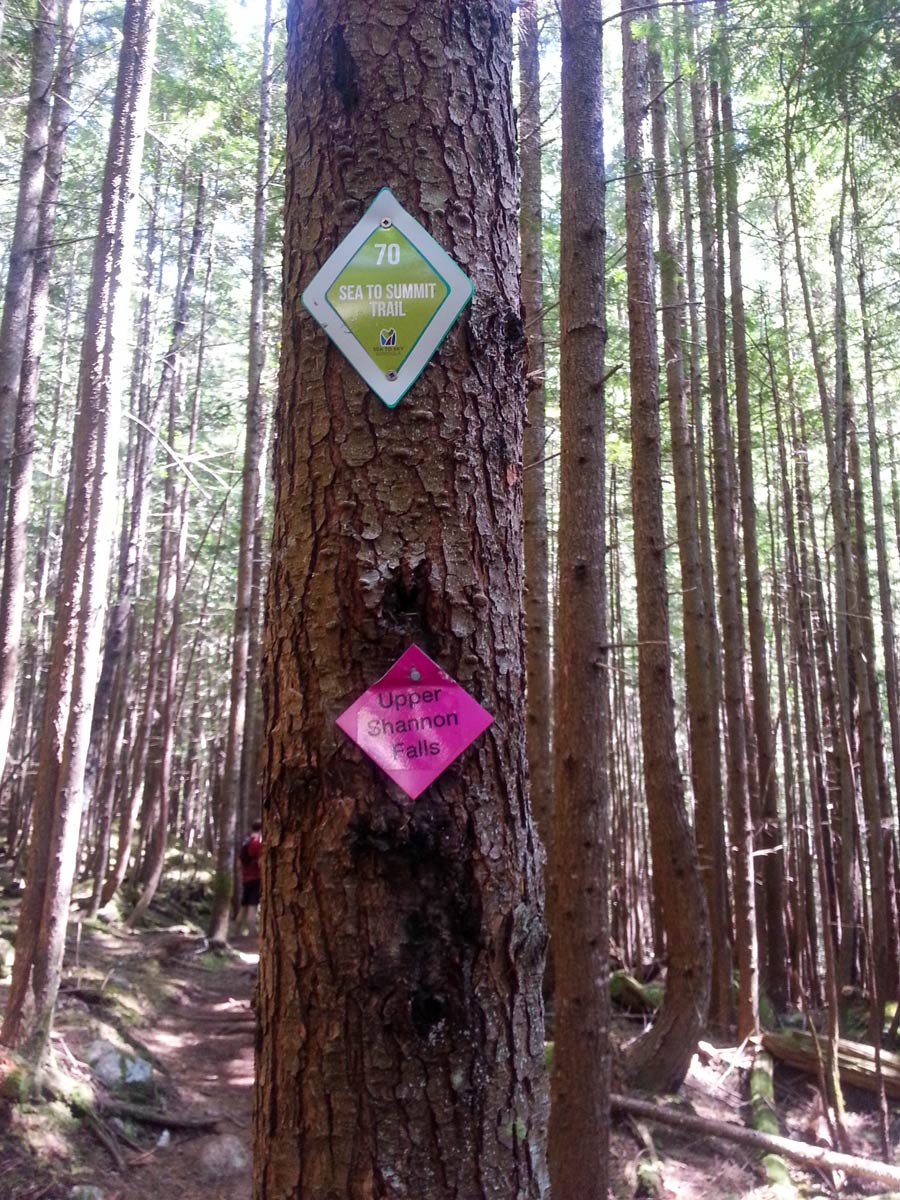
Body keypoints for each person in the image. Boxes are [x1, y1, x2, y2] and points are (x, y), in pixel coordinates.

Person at [235, 819, 262, 937]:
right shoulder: (256, 844)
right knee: (253, 905)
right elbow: (261, 861)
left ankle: (238, 932)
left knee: (244, 905)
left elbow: (239, 863)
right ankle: (252, 934)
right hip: (255, 878)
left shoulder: (245, 843)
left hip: (246, 878)